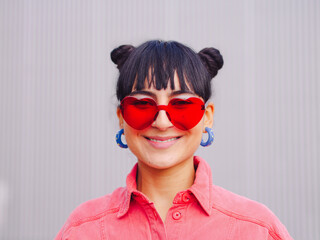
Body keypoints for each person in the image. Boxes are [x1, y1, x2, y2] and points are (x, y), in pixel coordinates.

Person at [55, 40, 293, 239]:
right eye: (141, 105)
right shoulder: (84, 230)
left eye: (181, 105)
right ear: (121, 117)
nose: (161, 122)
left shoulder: (257, 229)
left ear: (207, 117)